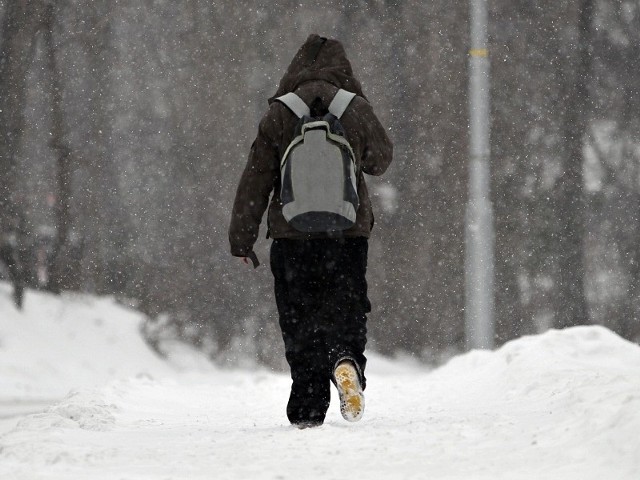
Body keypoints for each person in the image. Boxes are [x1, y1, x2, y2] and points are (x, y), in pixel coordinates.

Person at [229, 34, 392, 428]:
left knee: (299, 316)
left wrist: (242, 238)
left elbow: (256, 179)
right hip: (347, 233)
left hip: (291, 236)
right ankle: (345, 360)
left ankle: (307, 400)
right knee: (347, 306)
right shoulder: (354, 108)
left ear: (295, 69)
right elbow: (381, 161)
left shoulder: (280, 113)